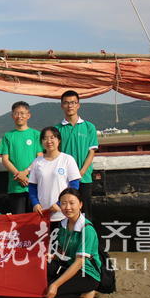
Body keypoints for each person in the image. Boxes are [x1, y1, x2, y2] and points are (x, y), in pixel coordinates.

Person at [45, 188, 101, 298]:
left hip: (86, 273)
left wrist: (55, 284)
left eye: (72, 203)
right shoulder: (63, 224)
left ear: (80, 204)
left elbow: (79, 262)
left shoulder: (87, 229)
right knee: (40, 276)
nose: (67, 207)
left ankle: (86, 292)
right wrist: (52, 256)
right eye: (63, 203)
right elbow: (61, 250)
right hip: (67, 265)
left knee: (51, 291)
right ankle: (65, 293)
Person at [54, 90, 99, 220]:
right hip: (64, 179)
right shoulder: (57, 129)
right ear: (62, 105)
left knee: (85, 212)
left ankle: (86, 239)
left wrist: (81, 172)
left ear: (78, 105)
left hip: (83, 178)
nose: (70, 106)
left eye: (73, 103)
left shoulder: (89, 127)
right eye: (66, 103)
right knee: (65, 212)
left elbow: (91, 152)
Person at [28, 127, 81, 228]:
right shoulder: (37, 162)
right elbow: (32, 186)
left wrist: (59, 203)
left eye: (52, 137)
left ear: (59, 140)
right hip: (43, 213)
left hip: (63, 213)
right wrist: (35, 203)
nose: (49, 141)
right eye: (45, 138)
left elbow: (74, 186)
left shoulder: (67, 159)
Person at [0, 101, 43, 214]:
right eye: (16, 113)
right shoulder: (8, 136)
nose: (19, 116)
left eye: (22, 113)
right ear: (12, 115)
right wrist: (19, 175)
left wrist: (26, 173)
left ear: (28, 115)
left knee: (35, 221)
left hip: (34, 183)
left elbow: (40, 157)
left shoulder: (36, 135)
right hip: (15, 186)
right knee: (19, 220)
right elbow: (5, 159)